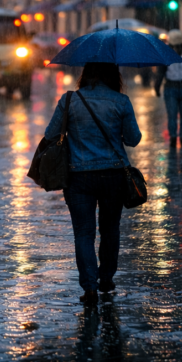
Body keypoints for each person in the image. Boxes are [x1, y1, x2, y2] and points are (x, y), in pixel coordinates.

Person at [44, 62, 142, 305]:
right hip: (113, 176)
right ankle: (106, 279)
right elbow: (133, 139)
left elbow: (50, 135)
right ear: (113, 75)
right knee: (110, 229)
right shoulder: (121, 101)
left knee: (83, 233)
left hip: (78, 176)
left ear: (85, 74)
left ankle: (89, 287)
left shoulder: (70, 100)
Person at [155, 30, 182, 147]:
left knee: (175, 115)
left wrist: (157, 87)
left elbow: (160, 73)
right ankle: (179, 136)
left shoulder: (171, 54)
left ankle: (176, 136)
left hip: (175, 88)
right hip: (181, 88)